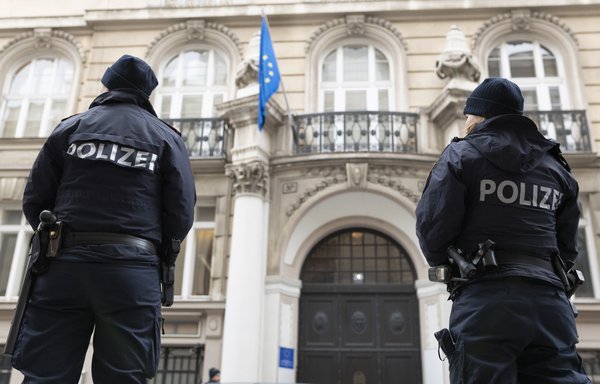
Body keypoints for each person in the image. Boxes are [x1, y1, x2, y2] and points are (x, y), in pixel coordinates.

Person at [13, 55, 196, 383]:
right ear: (147, 93)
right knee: (124, 377)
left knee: (45, 376)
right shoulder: (167, 138)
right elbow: (180, 212)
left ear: (107, 84)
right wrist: (159, 255)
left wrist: (56, 240)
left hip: (63, 265)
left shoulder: (71, 127)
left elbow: (35, 200)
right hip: (132, 271)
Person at [415, 77, 591, 383]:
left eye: (468, 114)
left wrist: (451, 264)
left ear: (480, 115)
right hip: (550, 304)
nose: (466, 121)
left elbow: (433, 231)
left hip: (486, 302)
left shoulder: (460, 156)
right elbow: (568, 244)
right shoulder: (556, 167)